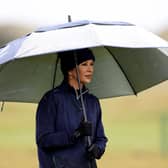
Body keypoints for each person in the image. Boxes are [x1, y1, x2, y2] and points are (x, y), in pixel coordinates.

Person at [36, 48, 108, 168]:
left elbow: (101, 138)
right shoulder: (51, 99)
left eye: (91, 64)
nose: (90, 69)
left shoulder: (93, 102)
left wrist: (98, 149)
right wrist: (75, 134)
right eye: (84, 64)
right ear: (70, 70)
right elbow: (43, 140)